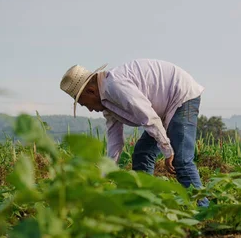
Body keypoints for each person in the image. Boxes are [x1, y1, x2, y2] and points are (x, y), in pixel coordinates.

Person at [59, 59, 209, 206]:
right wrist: (105, 175)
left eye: (84, 104)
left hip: (181, 95)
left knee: (181, 160)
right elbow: (115, 141)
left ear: (91, 91)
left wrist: (168, 151)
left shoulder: (115, 86)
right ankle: (143, 206)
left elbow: (148, 117)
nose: (90, 109)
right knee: (142, 153)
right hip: (160, 110)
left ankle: (204, 210)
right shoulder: (107, 102)